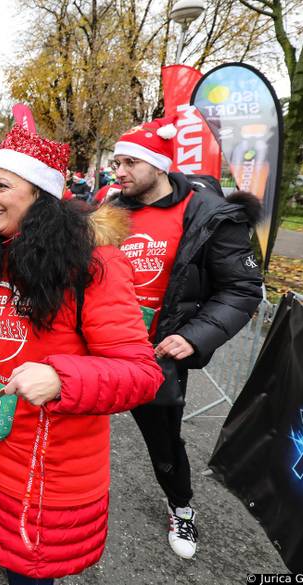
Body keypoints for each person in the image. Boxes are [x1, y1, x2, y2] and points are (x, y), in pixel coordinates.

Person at [0, 123, 163, 584]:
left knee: (28, 575)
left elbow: (142, 373)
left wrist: (61, 379)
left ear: (41, 197)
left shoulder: (93, 266)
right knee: (2, 558)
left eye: (1, 186)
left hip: (48, 478)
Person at [107, 116, 263, 559]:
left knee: (164, 442)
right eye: (116, 162)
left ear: (158, 164)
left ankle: (181, 506)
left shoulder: (208, 214)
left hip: (155, 355)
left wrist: (194, 337)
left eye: (129, 162)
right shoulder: (113, 211)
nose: (119, 171)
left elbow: (243, 289)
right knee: (72, 423)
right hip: (103, 347)